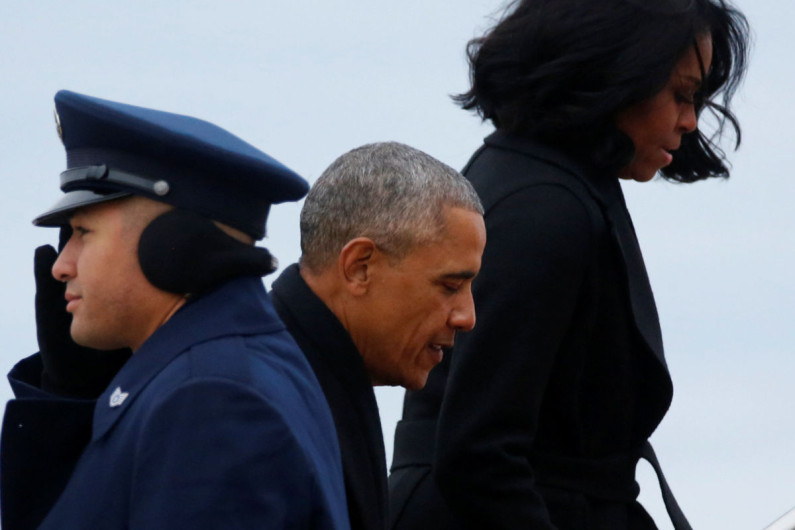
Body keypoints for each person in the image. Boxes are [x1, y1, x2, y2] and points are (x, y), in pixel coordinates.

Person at [389, 0, 749, 529]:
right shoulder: (543, 205)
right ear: (614, 72)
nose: (691, 120)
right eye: (680, 93)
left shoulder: (543, 181)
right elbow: (479, 453)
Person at [0, 90, 350, 529]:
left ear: (173, 243)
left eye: (83, 232)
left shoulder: (209, 400)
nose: (61, 266)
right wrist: (69, 399)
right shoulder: (218, 373)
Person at [270, 142, 486, 530]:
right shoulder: (255, 401)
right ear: (360, 267)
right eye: (450, 286)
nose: (467, 317)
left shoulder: (315, 375)